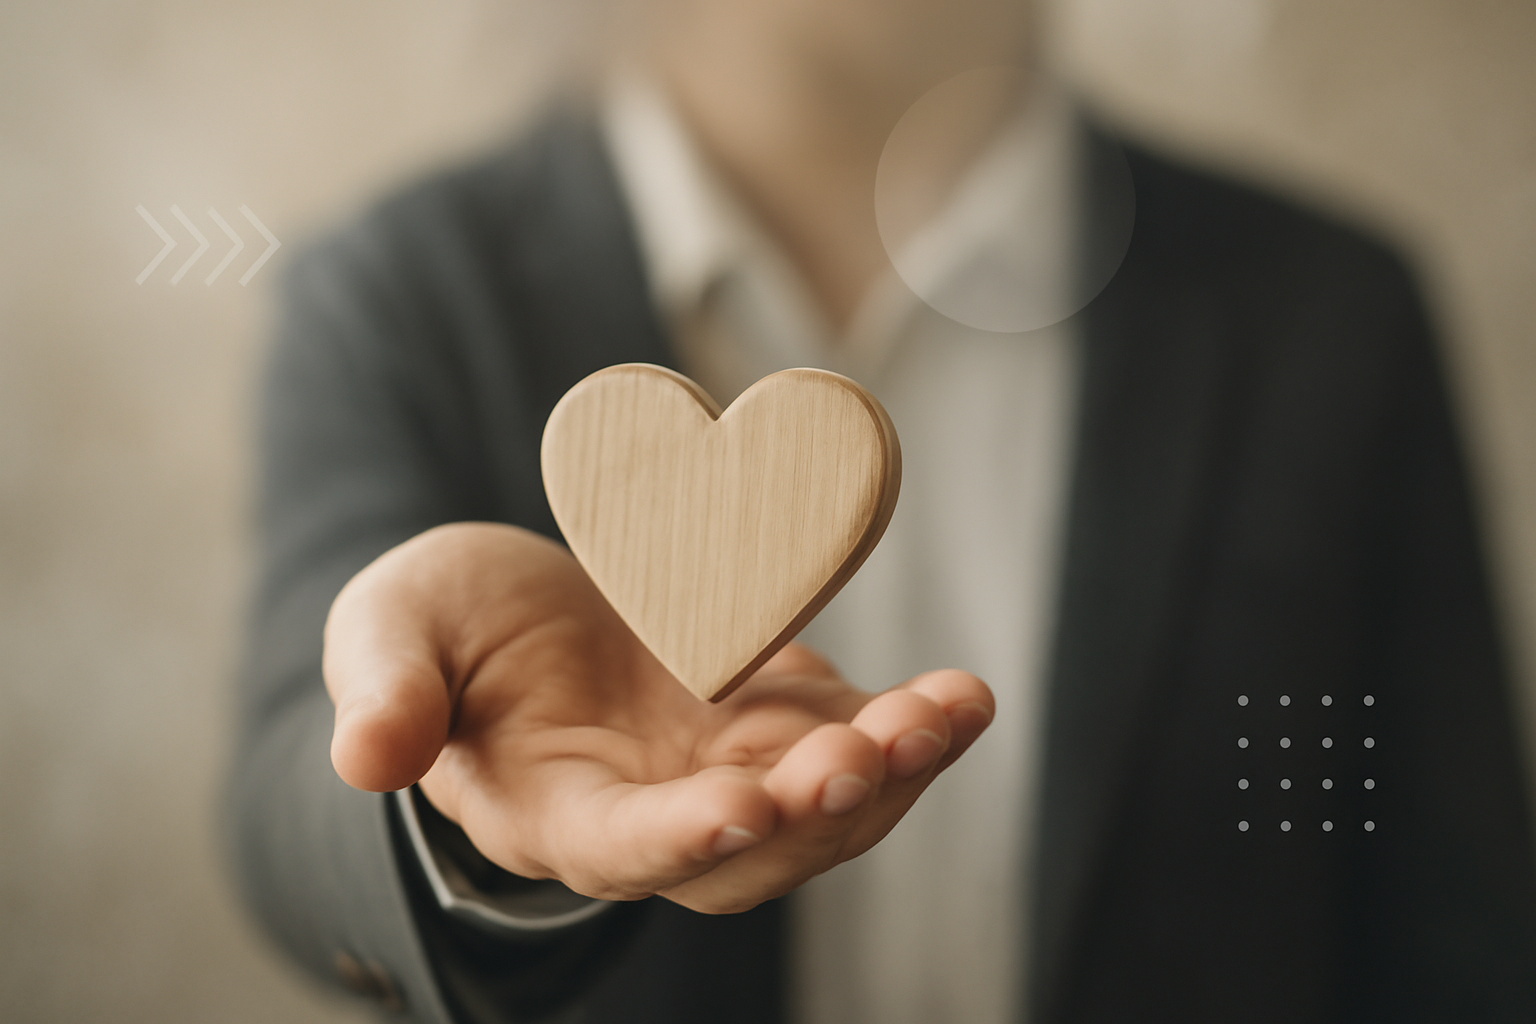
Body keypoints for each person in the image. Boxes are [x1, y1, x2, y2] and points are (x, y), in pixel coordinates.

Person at [227, 0, 1536, 1021]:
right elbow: (292, 799)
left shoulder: (1325, 314)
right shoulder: (397, 293)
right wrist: (453, 801)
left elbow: (1440, 909)